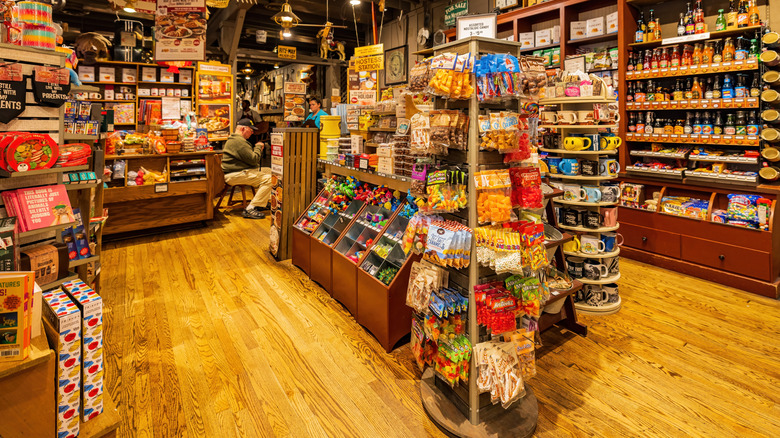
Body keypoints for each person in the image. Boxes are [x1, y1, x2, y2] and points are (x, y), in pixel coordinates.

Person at [222, 119, 272, 219]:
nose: (252, 132)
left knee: (270, 171)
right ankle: (250, 208)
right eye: (251, 130)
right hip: (234, 175)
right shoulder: (238, 142)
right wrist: (258, 147)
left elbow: (249, 158)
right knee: (270, 179)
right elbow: (254, 160)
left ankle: (261, 202)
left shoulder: (236, 140)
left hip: (237, 171)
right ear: (243, 128)